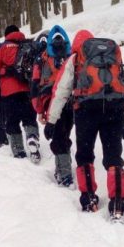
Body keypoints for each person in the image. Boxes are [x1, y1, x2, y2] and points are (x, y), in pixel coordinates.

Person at [45, 29, 124, 221]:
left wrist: (52, 120)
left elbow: (61, 91)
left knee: (85, 155)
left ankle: (88, 200)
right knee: (113, 158)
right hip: (114, 111)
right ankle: (118, 205)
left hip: (86, 112)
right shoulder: (111, 58)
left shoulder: (75, 59)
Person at [0, 25, 40, 162]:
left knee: (12, 121)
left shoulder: (0, 48)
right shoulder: (28, 45)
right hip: (28, 89)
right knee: (29, 118)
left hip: (9, 92)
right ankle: (32, 137)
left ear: (6, 35)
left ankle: (18, 151)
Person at [31, 25, 73, 186]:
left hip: (51, 102)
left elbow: (35, 86)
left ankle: (65, 175)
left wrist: (39, 110)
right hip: (71, 101)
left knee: (58, 137)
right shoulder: (72, 56)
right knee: (63, 135)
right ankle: (63, 169)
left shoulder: (41, 58)